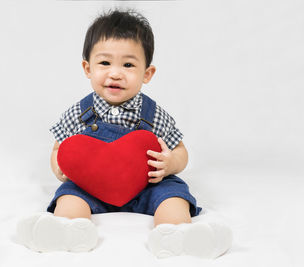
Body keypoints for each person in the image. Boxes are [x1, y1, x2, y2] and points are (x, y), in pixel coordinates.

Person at [17, 9, 232, 258]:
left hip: (148, 183)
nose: (116, 73)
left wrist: (170, 163)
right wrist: (59, 166)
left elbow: (180, 149)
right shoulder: (80, 111)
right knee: (70, 197)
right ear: (88, 68)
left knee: (173, 197)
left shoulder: (153, 113)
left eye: (128, 64)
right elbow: (59, 147)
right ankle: (67, 231)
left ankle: (178, 234)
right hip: (92, 182)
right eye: (105, 63)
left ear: (147, 74)